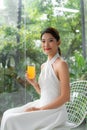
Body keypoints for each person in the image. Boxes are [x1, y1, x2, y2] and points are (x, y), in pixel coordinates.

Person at [1, 27, 70, 130]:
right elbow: (46, 93)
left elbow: (65, 97)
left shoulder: (61, 64)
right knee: (7, 114)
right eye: (43, 41)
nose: (46, 45)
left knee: (11, 119)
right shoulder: (43, 66)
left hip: (54, 112)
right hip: (42, 104)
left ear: (58, 42)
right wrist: (33, 83)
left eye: (50, 40)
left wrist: (39, 109)